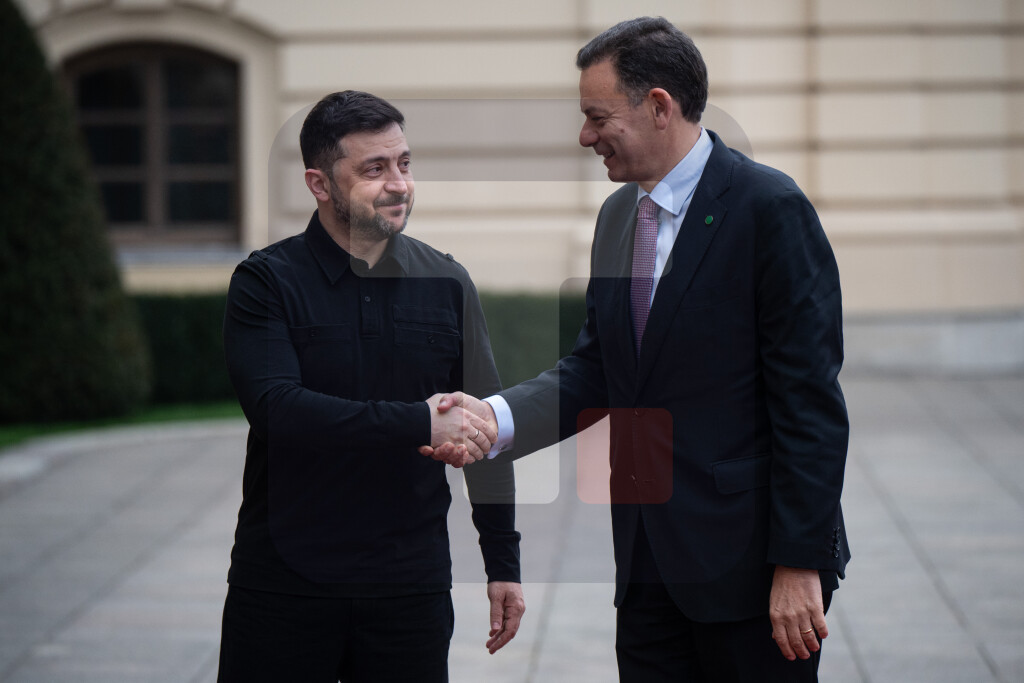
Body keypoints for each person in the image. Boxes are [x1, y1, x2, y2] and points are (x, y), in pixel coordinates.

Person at [425, 17, 850, 682]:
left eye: (597, 117)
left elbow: (810, 405)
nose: (585, 135)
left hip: (753, 572)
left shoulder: (769, 208)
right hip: (648, 568)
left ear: (658, 106)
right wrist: (493, 418)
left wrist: (799, 562)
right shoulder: (619, 216)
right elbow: (598, 366)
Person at [218, 90, 524, 682]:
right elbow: (278, 409)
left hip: (409, 588)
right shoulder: (266, 281)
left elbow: (485, 427)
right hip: (283, 585)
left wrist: (503, 563)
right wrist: (420, 422)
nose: (399, 185)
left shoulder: (447, 282)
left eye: (404, 163)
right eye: (374, 169)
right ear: (319, 183)